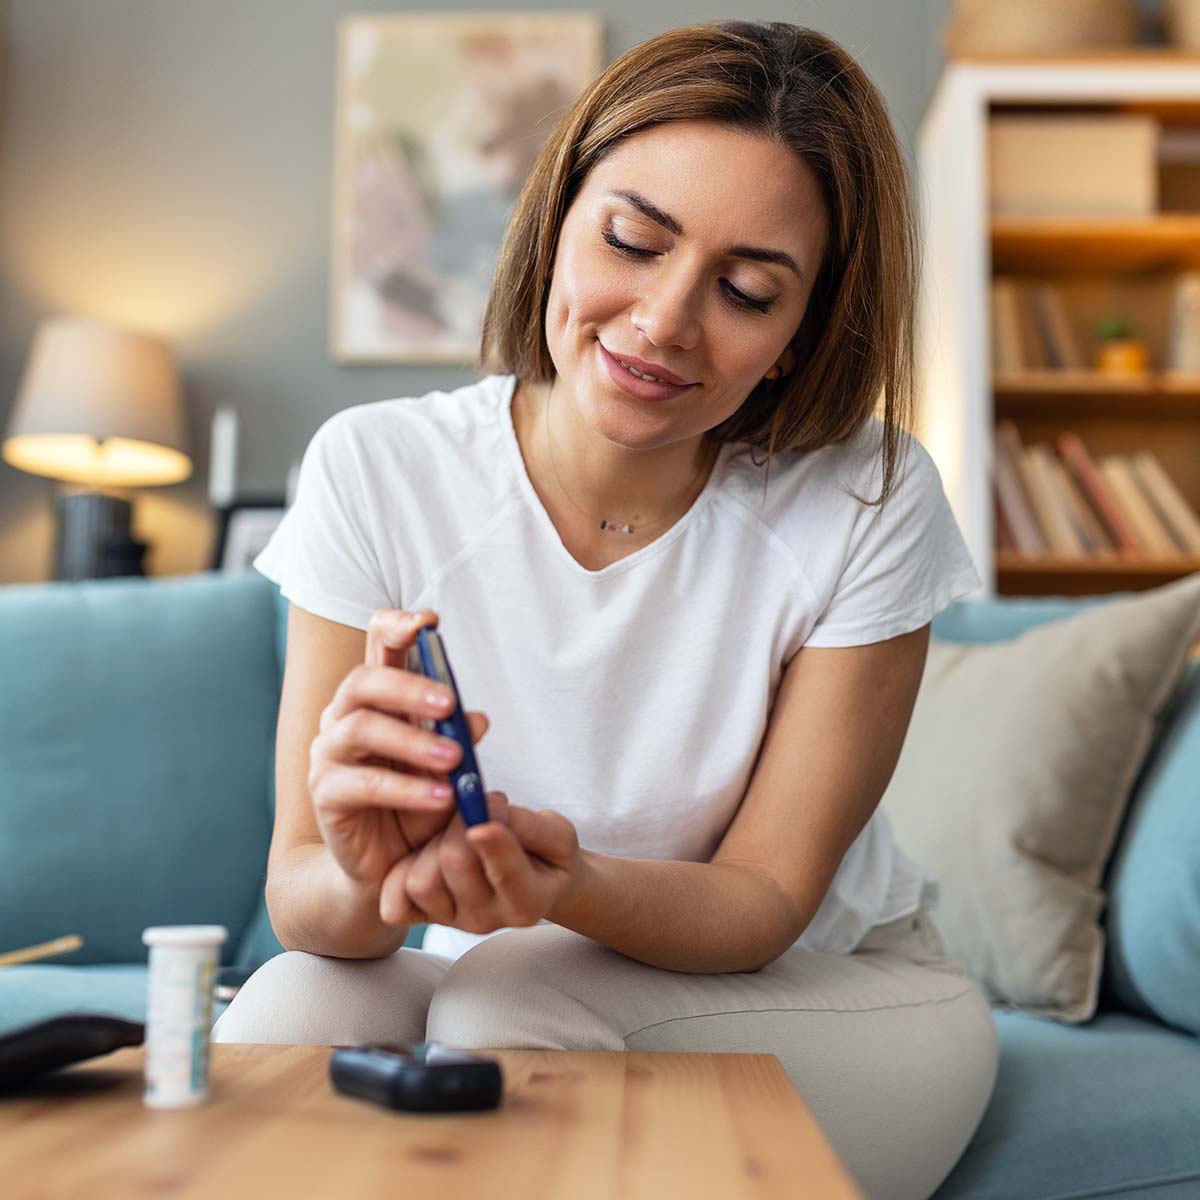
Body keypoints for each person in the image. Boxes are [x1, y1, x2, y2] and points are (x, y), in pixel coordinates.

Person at [213, 20, 997, 1200]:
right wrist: (372, 875)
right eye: (632, 240)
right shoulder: (377, 468)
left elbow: (764, 898)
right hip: (511, 985)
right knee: (296, 1003)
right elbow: (306, 899)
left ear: (798, 338)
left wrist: (565, 884)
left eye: (746, 291)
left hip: (826, 988)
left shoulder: (866, 498)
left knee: (515, 994)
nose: (664, 321)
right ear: (558, 219)